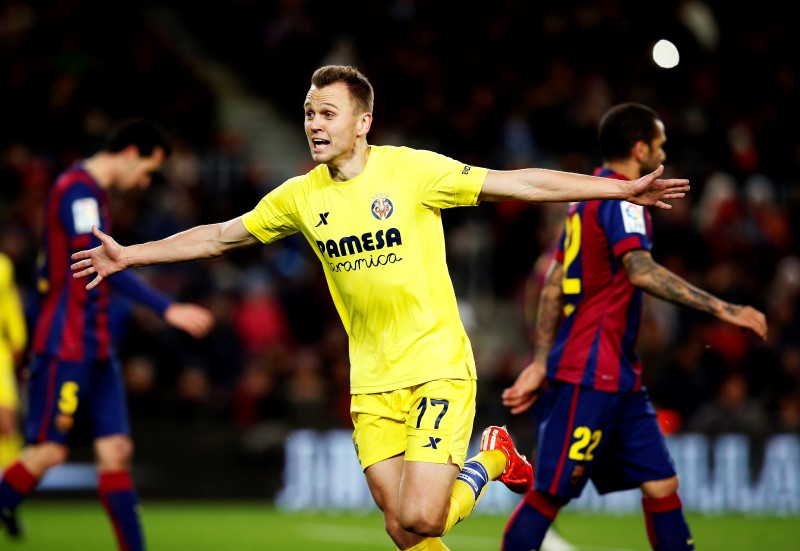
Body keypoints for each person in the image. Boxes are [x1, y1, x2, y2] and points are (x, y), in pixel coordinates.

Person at [71, 67, 689, 551]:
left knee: (423, 513)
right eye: (309, 112)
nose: (315, 123)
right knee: (402, 530)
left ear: (363, 121)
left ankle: (494, 455)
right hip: (371, 381)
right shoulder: (299, 197)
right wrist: (131, 255)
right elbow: (219, 235)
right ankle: (488, 462)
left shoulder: (412, 172)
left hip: (436, 364)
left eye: (328, 113)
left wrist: (619, 187)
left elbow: (519, 182)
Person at [500, 102, 767, 551]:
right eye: (659, 146)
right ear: (640, 148)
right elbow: (640, 270)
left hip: (617, 374)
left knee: (662, 483)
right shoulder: (623, 196)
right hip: (589, 372)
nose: (663, 153)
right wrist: (725, 309)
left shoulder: (586, 195)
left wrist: (542, 360)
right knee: (549, 494)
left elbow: (552, 286)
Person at [0, 119, 215, 549]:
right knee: (48, 452)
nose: (143, 183)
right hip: (66, 343)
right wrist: (166, 307)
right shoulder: (78, 190)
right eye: (149, 171)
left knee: (116, 451)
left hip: (96, 343)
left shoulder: (90, 195)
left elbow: (52, 266)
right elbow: (100, 260)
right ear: (132, 151)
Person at [0, 251, 27, 538]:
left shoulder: (3, 264)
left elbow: (9, 303)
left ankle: (9, 502)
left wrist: (18, 339)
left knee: (6, 425)